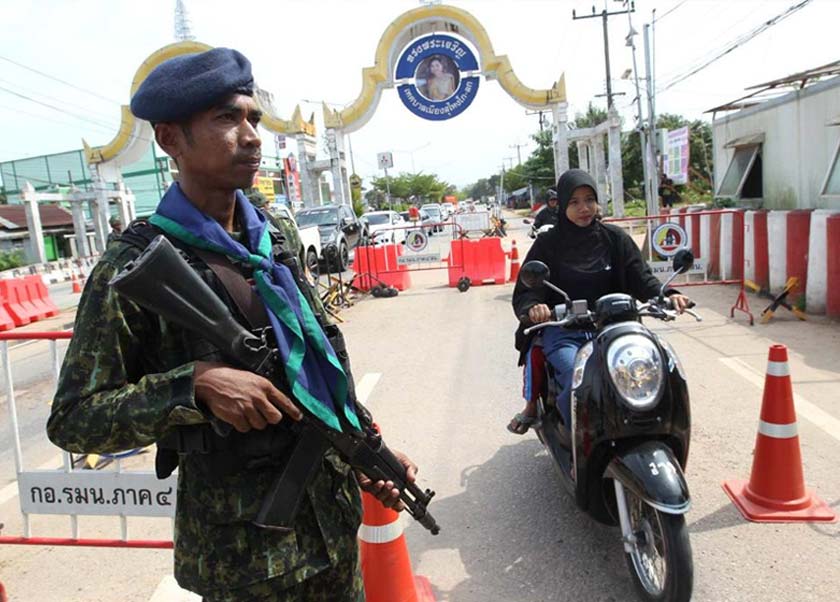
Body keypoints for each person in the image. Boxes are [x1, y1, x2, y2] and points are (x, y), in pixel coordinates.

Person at [47, 47, 417, 602]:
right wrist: (194, 384)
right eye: (226, 118)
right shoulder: (133, 266)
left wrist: (363, 449)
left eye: (253, 119)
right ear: (170, 139)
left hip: (334, 535)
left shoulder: (275, 239)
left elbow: (314, 365)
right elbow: (73, 421)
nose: (250, 136)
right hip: (246, 563)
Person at [507, 169, 691, 434]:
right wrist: (534, 307)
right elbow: (529, 288)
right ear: (562, 204)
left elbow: (642, 278)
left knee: (653, 371)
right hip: (565, 331)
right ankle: (579, 451)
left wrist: (668, 295)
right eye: (574, 202)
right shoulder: (548, 243)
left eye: (589, 199)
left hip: (615, 329)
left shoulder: (616, 239)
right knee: (578, 382)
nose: (584, 208)